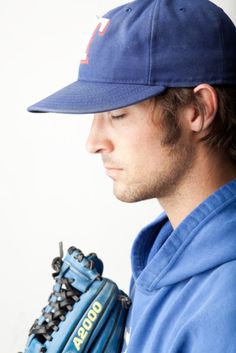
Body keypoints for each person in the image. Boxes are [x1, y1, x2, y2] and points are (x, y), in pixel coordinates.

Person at [27, 0, 236, 351]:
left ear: (198, 110)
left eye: (118, 115)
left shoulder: (225, 305)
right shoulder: (168, 252)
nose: (93, 142)